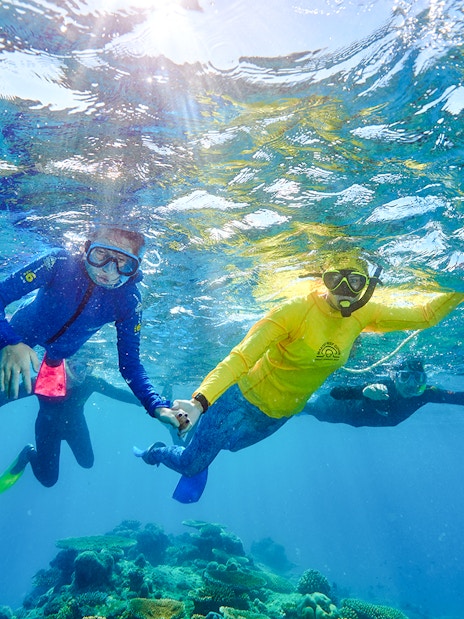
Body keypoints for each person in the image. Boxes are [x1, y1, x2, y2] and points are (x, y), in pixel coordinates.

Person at [134, 250, 464, 502]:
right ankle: (159, 452)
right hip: (240, 400)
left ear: (368, 285)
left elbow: (426, 314)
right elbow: (240, 357)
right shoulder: (293, 311)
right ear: (324, 279)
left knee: (230, 447)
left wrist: (459, 283)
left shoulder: (366, 313)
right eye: (336, 280)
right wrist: (199, 402)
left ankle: (197, 441)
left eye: (356, 282)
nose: (345, 291)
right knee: (193, 464)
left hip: (282, 414)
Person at [0, 225, 185, 490]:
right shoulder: (59, 263)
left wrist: (157, 405)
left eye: (123, 263)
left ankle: (38, 452)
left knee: (50, 411)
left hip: (56, 361)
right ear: (86, 248)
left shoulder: (129, 300)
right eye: (101, 256)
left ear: (137, 267)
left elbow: (130, 365)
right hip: (19, 334)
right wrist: (11, 341)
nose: (109, 271)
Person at [308, 357, 464, 427]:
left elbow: (458, 398)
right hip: (343, 411)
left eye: (418, 379)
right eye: (405, 377)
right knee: (314, 409)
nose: (412, 384)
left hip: (373, 419)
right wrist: (364, 391)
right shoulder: (382, 386)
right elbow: (336, 393)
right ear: (395, 378)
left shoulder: (428, 393)